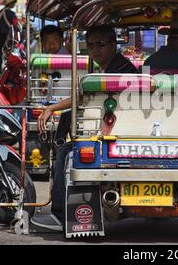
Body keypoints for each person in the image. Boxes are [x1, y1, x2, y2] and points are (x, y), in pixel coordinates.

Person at [30, 25, 138, 231]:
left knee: (64, 151)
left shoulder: (119, 70)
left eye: (101, 44)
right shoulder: (112, 67)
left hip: (118, 136)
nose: (95, 50)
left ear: (114, 45)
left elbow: (81, 96)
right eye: (91, 45)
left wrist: (51, 108)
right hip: (115, 131)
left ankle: (61, 215)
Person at [0, 0, 20, 74]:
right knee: (9, 53)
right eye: (14, 2)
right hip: (7, 36)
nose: (14, 3)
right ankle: (9, 70)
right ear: (11, 3)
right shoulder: (11, 13)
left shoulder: (1, 11)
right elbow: (15, 24)